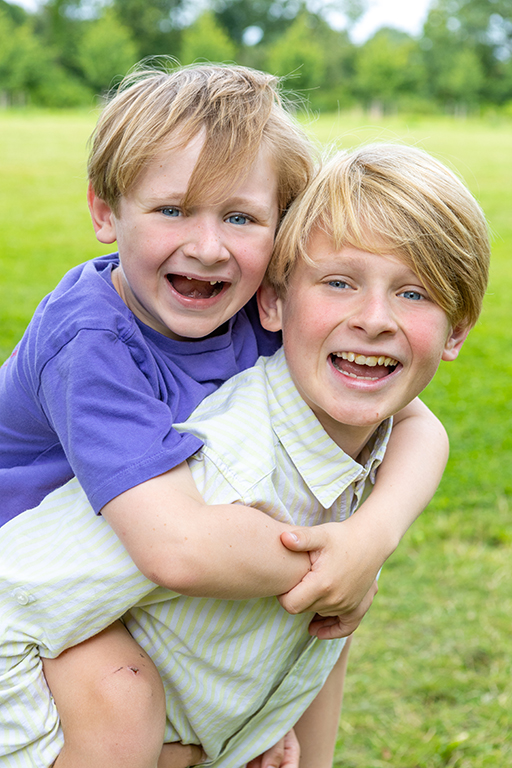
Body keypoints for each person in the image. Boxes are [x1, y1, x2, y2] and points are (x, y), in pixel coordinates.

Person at [0, 60, 453, 767]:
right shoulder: (90, 340)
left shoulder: (254, 314)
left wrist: (370, 540)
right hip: (40, 587)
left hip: (136, 578)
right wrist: (332, 568)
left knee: (322, 624)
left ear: (280, 236)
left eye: (241, 217)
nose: (208, 247)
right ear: (103, 211)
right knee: (123, 703)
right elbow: (175, 546)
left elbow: (419, 427)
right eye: (173, 209)